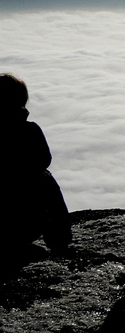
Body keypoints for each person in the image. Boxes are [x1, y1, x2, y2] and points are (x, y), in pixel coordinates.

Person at [0, 73, 72, 263]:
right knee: (45, 181)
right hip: (26, 221)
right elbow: (44, 159)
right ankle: (59, 244)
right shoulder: (29, 131)